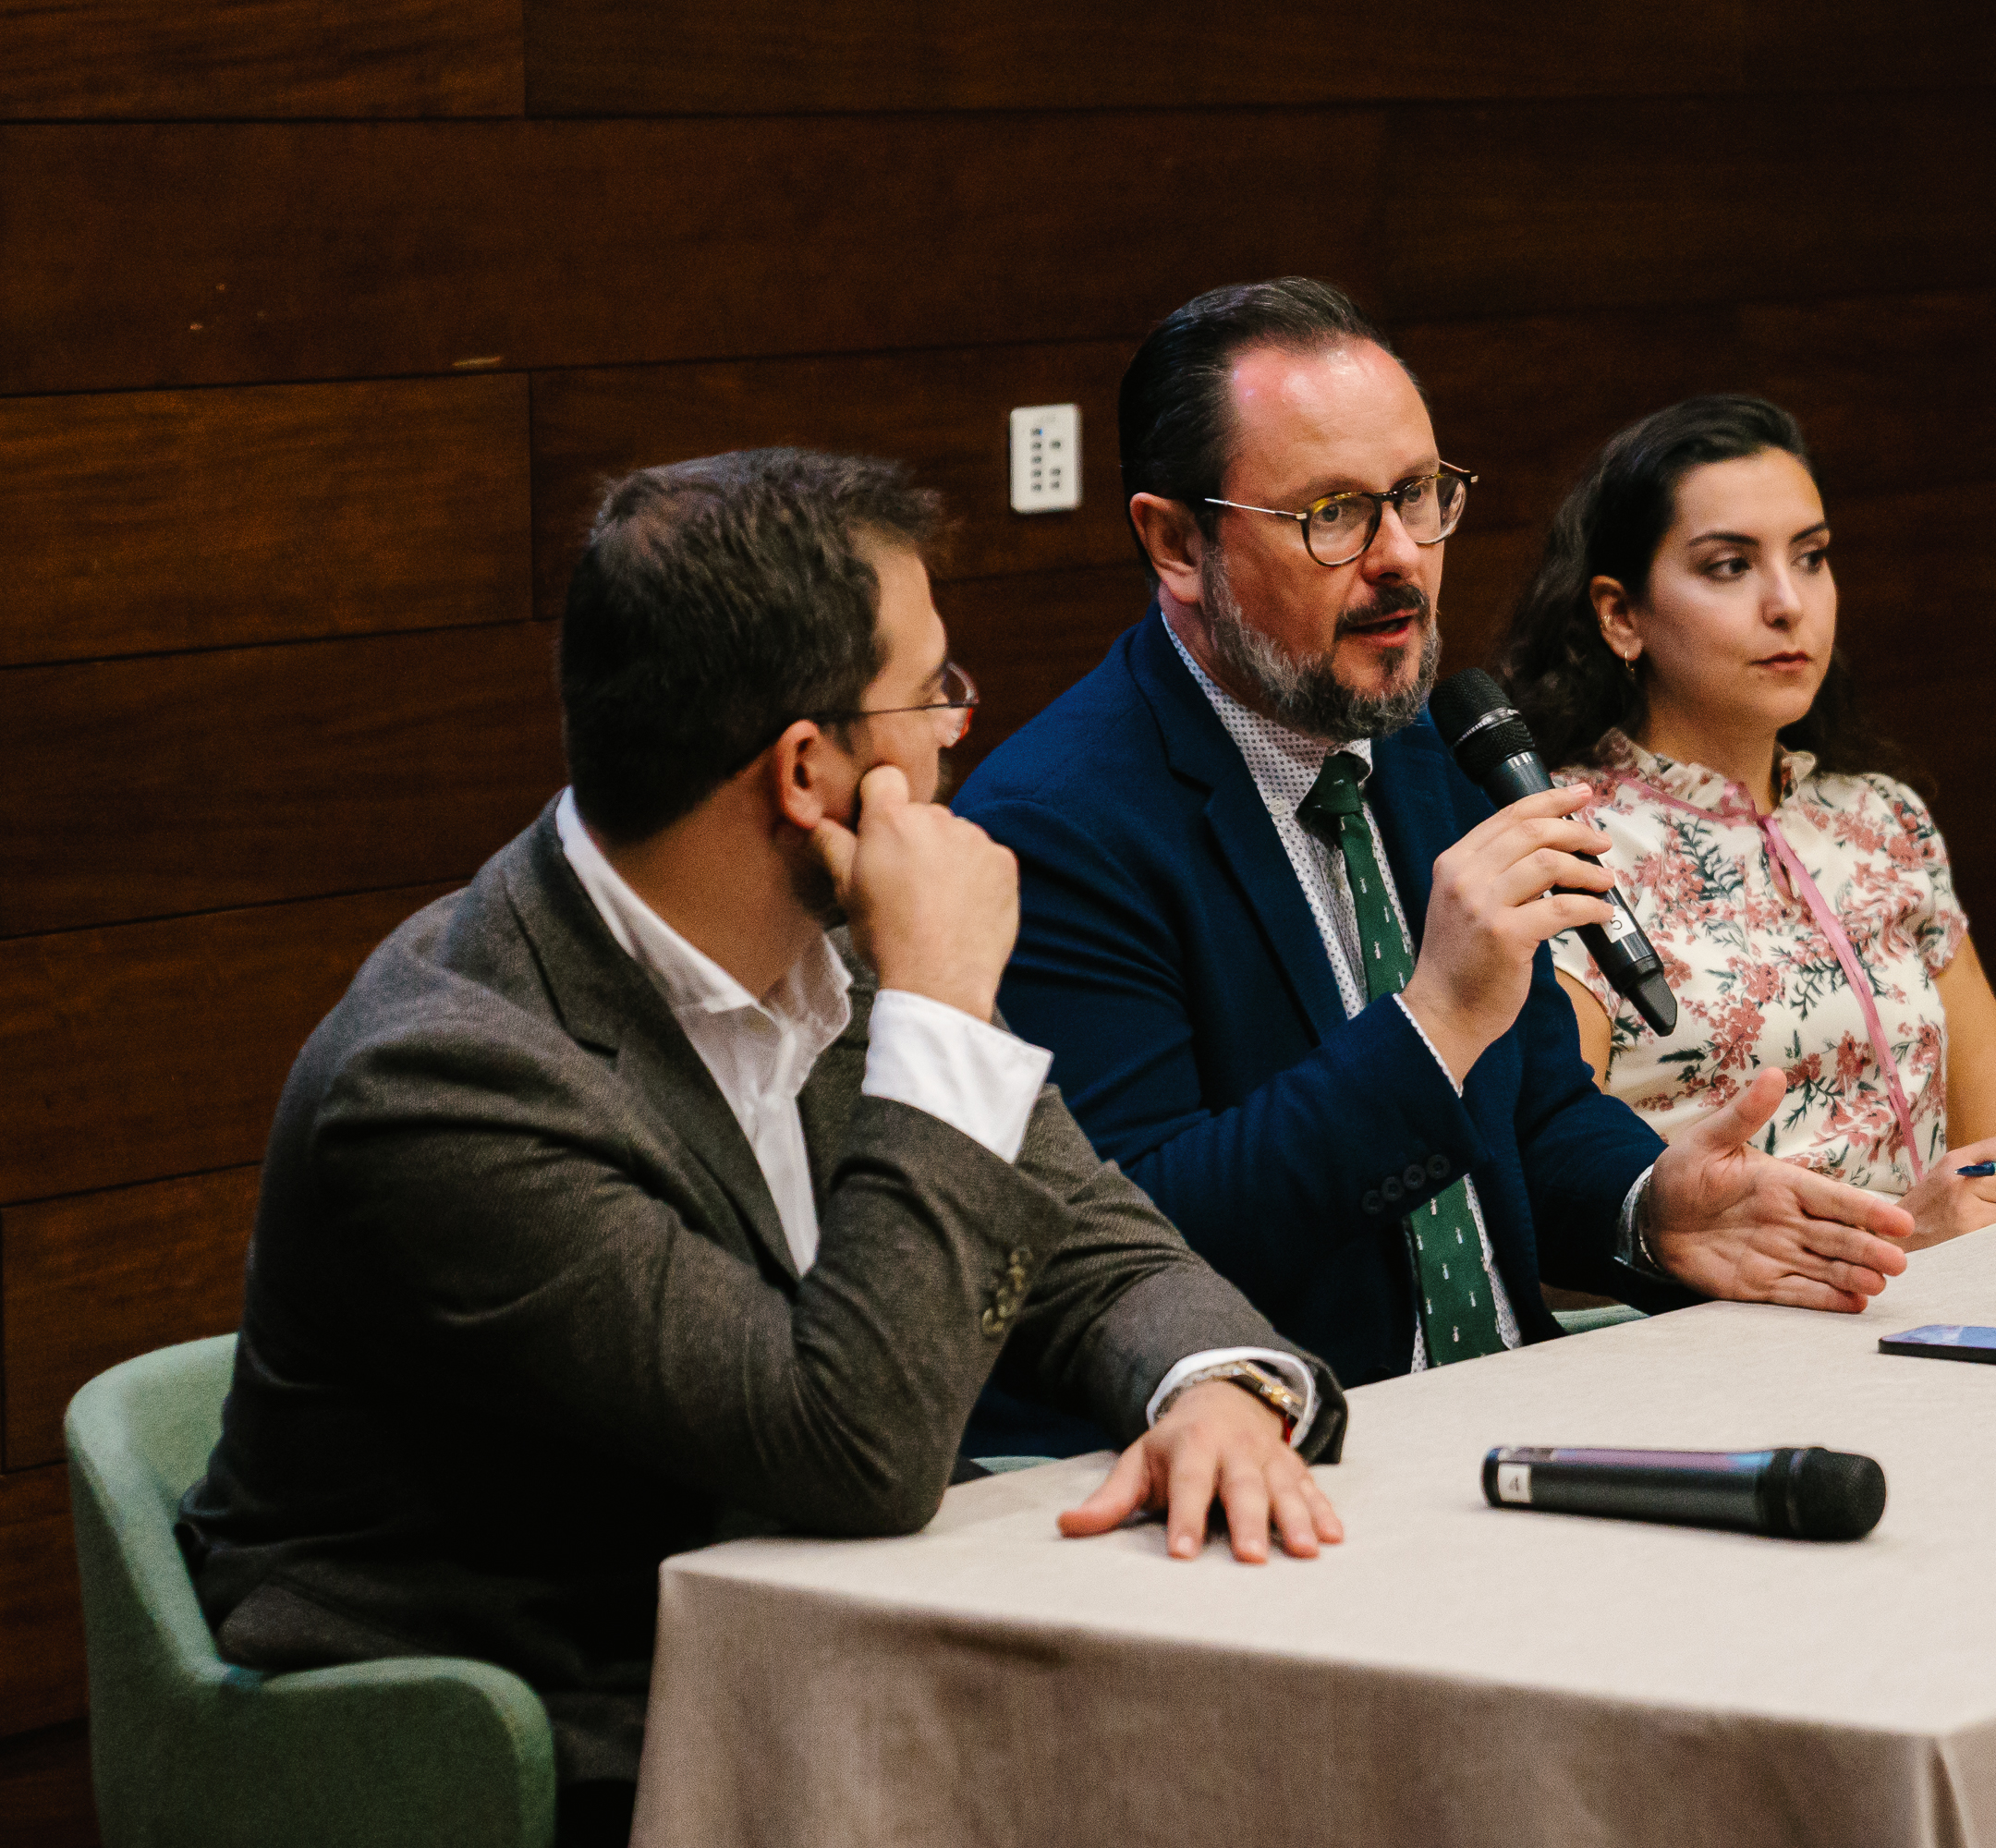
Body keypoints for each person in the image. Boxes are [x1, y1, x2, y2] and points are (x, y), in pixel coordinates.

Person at [176, 449, 1347, 1846]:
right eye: (933, 691)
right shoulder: (445, 1081)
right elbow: (850, 1451)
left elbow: (1099, 1249)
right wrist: (942, 1008)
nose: (958, 729)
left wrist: (1209, 1388)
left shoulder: (834, 948)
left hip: (821, 1666)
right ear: (806, 771)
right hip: (535, 1747)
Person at [955, 281, 1917, 1452]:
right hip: (1286, 1448)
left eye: (1417, 495)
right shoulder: (1056, 824)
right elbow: (1135, 1254)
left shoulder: (1435, 741)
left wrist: (1652, 1204)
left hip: (1510, 1409)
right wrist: (1434, 1024)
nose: (1402, 558)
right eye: (1334, 514)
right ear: (1175, 542)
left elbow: (1537, 1113)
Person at [1494, 395, 1996, 1246]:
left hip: (1943, 1297)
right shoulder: (1564, 839)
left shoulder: (1882, 819)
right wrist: (1903, 1237)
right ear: (1621, 616)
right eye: (1730, 566)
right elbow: (1542, 1221)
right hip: (1705, 1315)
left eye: (1810, 557)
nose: (1787, 603)